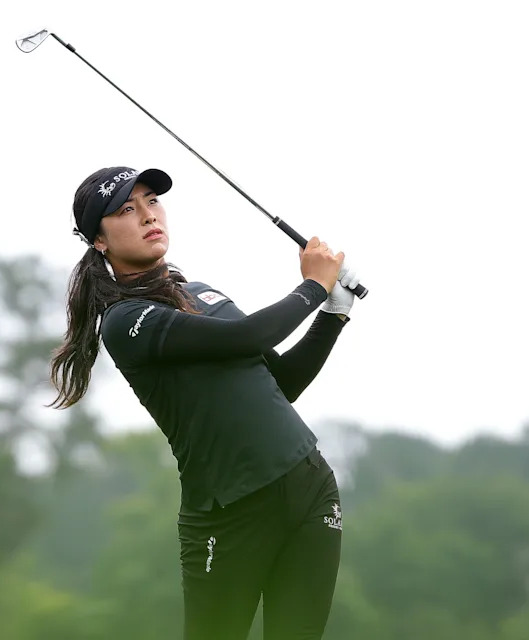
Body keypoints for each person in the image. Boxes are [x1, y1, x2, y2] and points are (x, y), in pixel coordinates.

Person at [48, 166, 361, 640]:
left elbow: (284, 383)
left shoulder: (200, 294)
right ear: (99, 241)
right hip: (228, 516)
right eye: (127, 210)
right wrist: (313, 287)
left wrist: (334, 313)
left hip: (310, 488)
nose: (148, 215)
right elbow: (247, 336)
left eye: (152, 201)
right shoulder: (126, 321)